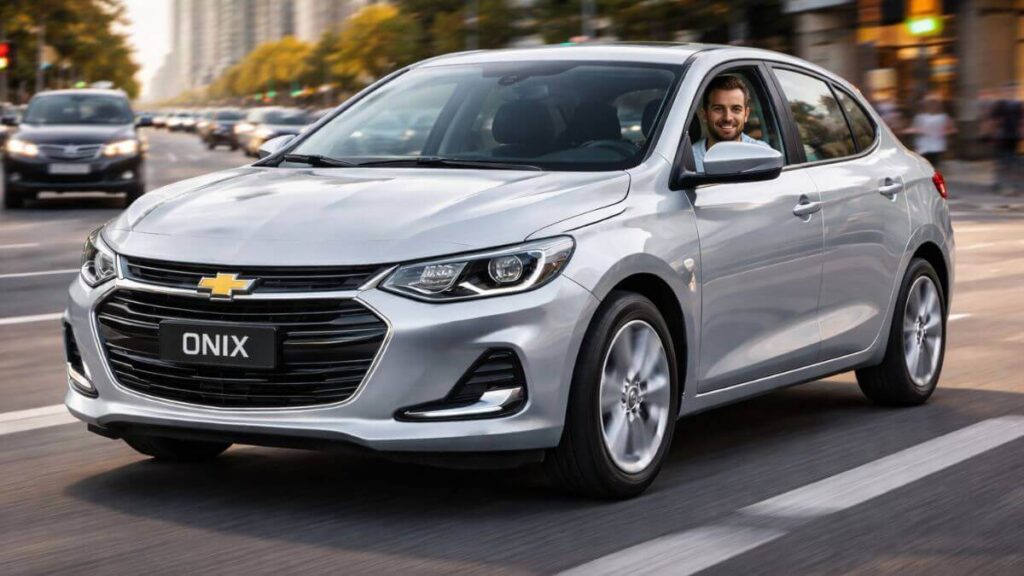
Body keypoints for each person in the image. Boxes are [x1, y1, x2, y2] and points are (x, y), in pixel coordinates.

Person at [693, 75, 771, 172]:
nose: (727, 118)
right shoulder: (687, 162)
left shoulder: (764, 154)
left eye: (736, 109)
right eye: (718, 109)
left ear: (746, 114)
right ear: (704, 114)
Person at [906, 94, 956, 168]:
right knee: (924, 166)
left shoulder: (943, 117)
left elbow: (952, 129)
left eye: (934, 103)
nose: (932, 105)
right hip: (923, 145)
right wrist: (915, 131)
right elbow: (914, 128)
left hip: (937, 146)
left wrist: (944, 132)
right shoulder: (920, 117)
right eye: (930, 103)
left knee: (933, 166)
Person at [990, 83, 1022, 193]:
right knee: (1003, 161)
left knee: (1012, 160)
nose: (1010, 92)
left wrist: (1021, 131)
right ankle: (1001, 183)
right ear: (1004, 91)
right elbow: (993, 120)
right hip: (1003, 135)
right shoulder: (1000, 104)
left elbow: (1021, 120)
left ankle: (1012, 184)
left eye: (1012, 90)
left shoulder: (1018, 104)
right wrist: (994, 133)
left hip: (1014, 135)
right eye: (1008, 90)